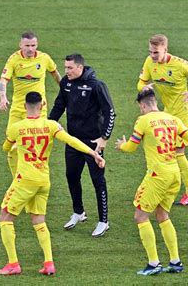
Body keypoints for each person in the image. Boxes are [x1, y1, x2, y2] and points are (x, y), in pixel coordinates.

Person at [0, 92, 105, 276]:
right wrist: (94, 154)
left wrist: (15, 145)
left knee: (5, 218)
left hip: (25, 180)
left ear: (24, 106)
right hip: (43, 180)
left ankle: (13, 264)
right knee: (39, 220)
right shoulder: (52, 125)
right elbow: (72, 141)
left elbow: (5, 148)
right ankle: (49, 263)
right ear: (42, 105)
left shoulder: (16, 127)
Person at [115, 89, 188, 276]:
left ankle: (154, 264)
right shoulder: (172, 119)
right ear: (155, 102)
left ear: (143, 105)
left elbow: (131, 147)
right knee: (162, 215)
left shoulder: (142, 121)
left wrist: (121, 146)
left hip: (157, 176)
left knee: (140, 217)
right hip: (174, 174)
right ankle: (175, 261)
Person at [49, 53, 115, 237]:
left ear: (80, 67)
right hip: (73, 140)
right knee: (71, 176)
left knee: (97, 180)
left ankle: (103, 221)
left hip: (93, 142)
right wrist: (46, 126)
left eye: (70, 68)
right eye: (65, 68)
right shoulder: (66, 83)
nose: (66, 71)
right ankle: (79, 212)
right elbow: (58, 106)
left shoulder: (96, 85)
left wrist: (104, 138)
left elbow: (110, 113)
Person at [137, 34, 188, 205]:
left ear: (165, 50)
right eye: (150, 52)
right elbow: (140, 83)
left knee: (177, 151)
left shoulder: (180, 64)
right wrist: (143, 87)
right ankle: (175, 187)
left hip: (184, 112)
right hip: (168, 111)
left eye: (156, 53)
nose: (152, 56)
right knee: (171, 151)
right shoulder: (149, 62)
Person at [0, 31, 61, 176]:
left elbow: (55, 73)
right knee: (11, 145)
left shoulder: (44, 58)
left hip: (40, 109)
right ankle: (17, 177)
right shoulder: (14, 60)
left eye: (33, 45)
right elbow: (3, 81)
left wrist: (65, 89)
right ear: (20, 45)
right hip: (18, 109)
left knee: (39, 144)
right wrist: (2, 97)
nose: (30, 49)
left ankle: (38, 174)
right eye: (27, 45)